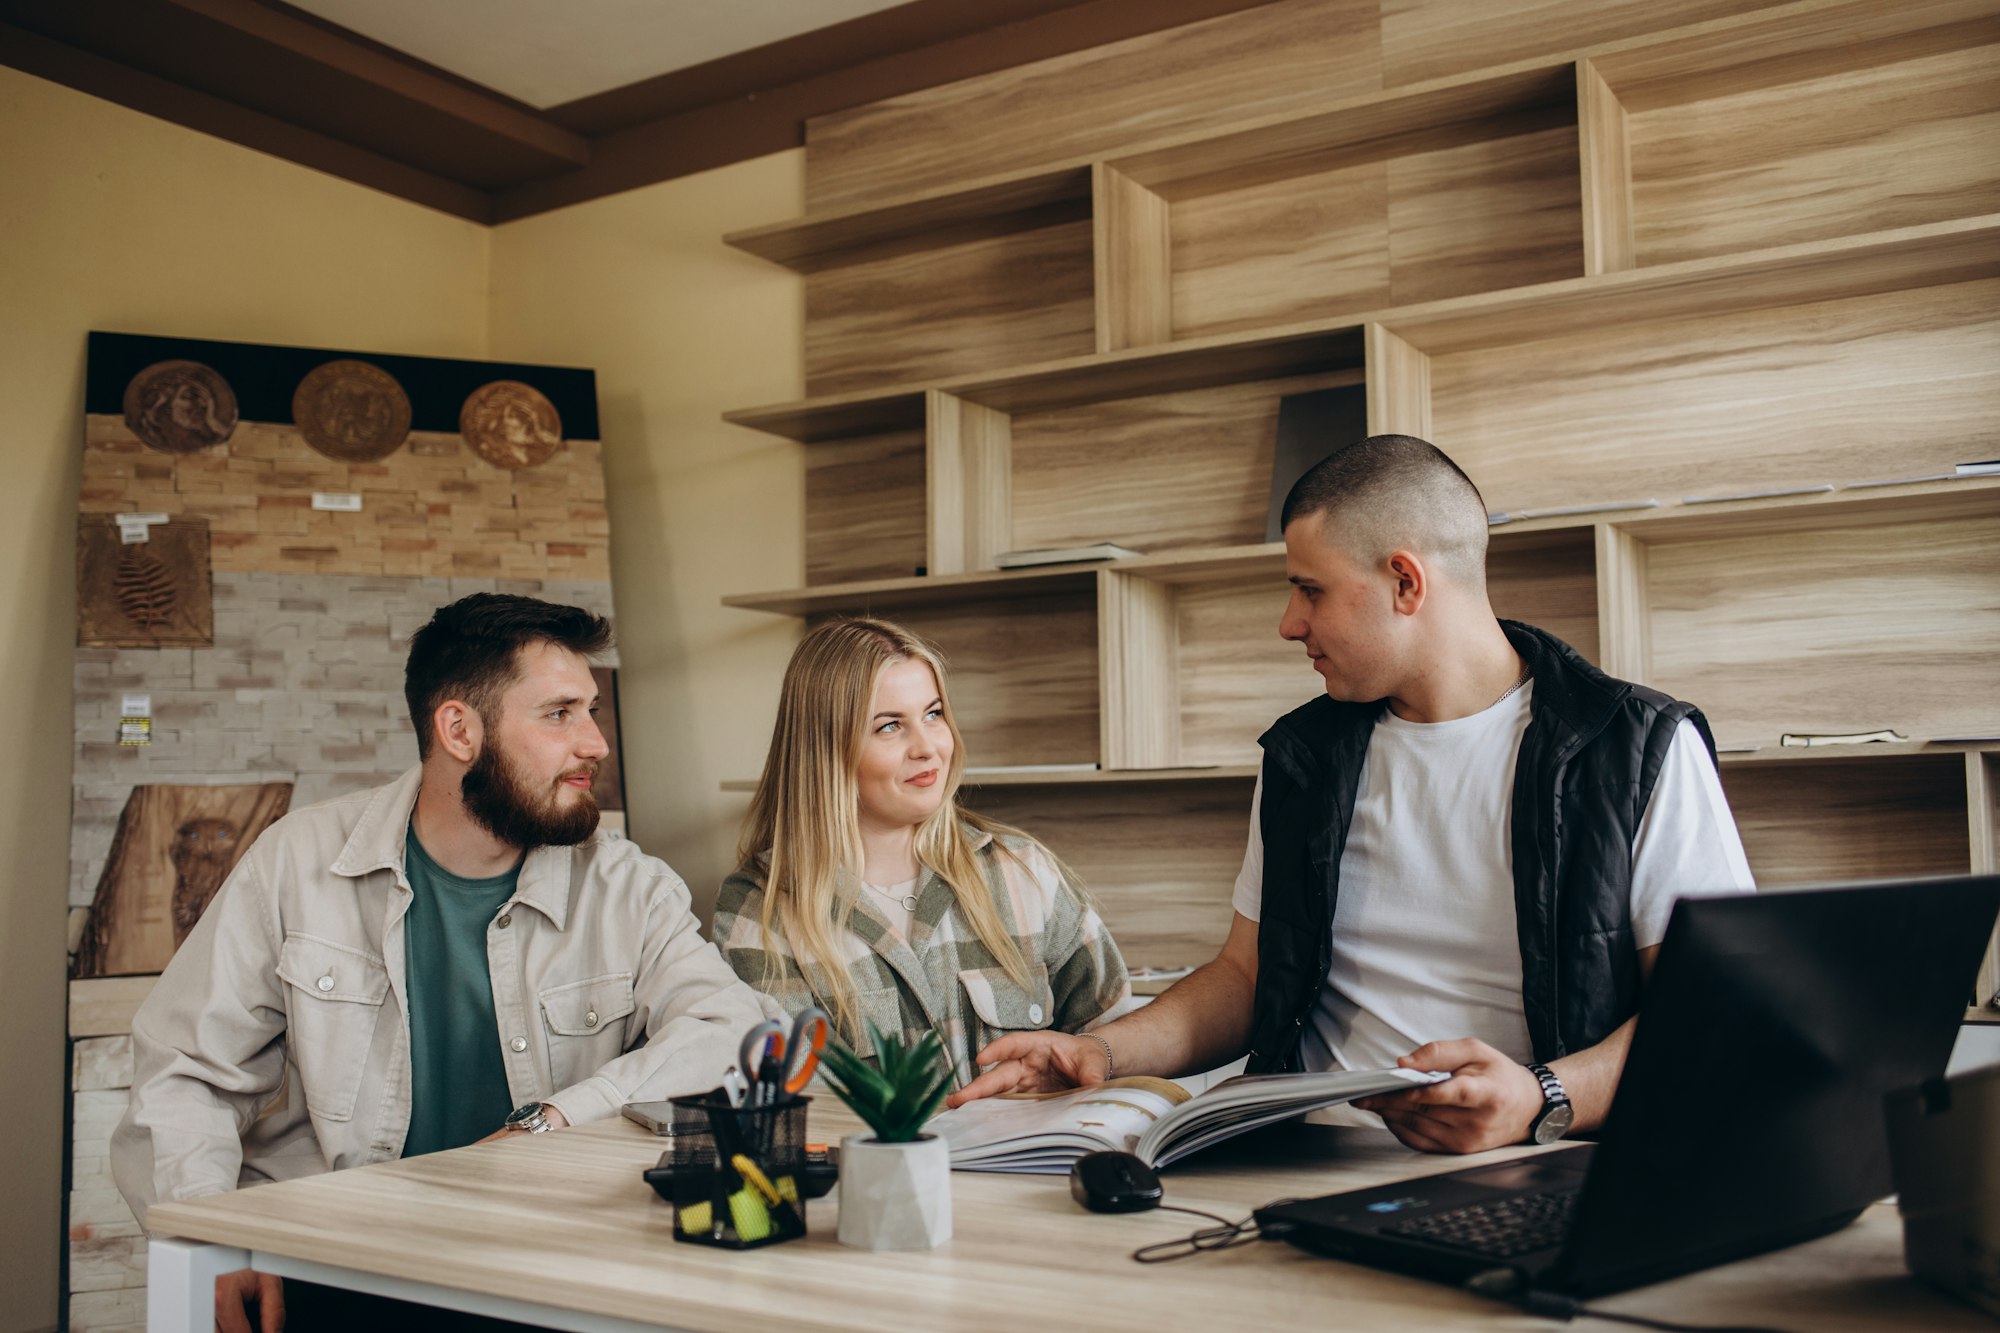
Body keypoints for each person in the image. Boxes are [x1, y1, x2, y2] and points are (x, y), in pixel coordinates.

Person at [950, 435, 1754, 1155]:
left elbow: (1713, 1011)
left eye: (1311, 589)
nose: (1288, 623)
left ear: (1406, 581)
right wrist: (1105, 1051)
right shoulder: (1304, 754)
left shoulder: (1638, 749)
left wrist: (1541, 1097)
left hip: (1541, 1163)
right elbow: (1246, 973)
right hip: (1293, 1159)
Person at [112, 593, 774, 1333]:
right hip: (337, 1269)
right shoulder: (293, 865)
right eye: (560, 714)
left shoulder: (628, 885)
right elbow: (183, 1071)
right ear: (458, 728)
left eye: (591, 711)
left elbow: (733, 1030)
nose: (595, 742)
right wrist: (209, 1230)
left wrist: (550, 1121)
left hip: (553, 1271)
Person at [712, 617, 1130, 1088]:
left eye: (933, 715)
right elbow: (790, 1107)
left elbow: (1117, 1044)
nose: (928, 747)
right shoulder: (761, 911)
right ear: (825, 750)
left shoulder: (1023, 871)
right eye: (890, 726)